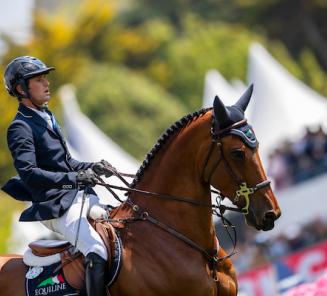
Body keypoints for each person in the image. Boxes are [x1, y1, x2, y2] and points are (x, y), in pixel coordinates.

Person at [1, 56, 114, 296]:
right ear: (21, 89)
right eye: (39, 80)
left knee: (118, 225)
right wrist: (75, 178)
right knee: (96, 249)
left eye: (45, 78)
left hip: (75, 197)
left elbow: (67, 163)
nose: (46, 84)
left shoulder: (47, 116)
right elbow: (30, 174)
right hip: (54, 206)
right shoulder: (20, 127)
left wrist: (93, 167)